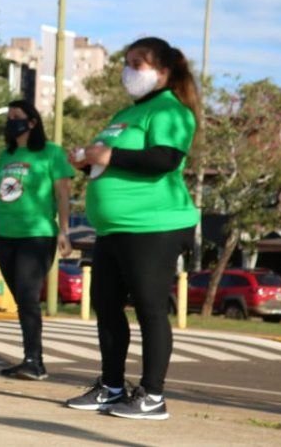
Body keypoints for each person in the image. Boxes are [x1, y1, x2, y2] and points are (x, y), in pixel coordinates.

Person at [65, 37, 199, 421]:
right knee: (106, 305)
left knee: (149, 307)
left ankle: (153, 396)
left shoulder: (171, 110)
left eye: (138, 63)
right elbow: (112, 164)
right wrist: (86, 161)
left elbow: (164, 159)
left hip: (153, 225)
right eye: (126, 62)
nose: (129, 70)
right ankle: (111, 388)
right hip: (113, 228)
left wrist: (109, 154)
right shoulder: (125, 114)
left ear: (164, 70)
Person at [0, 99, 74, 381]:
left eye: (17, 116)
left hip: (37, 235)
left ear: (32, 122)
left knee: (28, 296)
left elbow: (63, 194)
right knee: (21, 299)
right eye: (9, 117)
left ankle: (34, 361)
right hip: (4, 236)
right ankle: (32, 359)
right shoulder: (5, 156)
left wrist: (64, 231)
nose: (11, 121)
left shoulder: (51, 153)